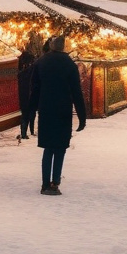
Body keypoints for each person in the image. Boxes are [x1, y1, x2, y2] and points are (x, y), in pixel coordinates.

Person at [28, 36, 86, 196]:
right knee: (60, 148)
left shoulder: (41, 63)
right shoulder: (70, 65)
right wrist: (82, 116)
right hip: (63, 111)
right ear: (64, 47)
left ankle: (45, 183)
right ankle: (55, 182)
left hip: (46, 110)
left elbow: (34, 89)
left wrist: (31, 111)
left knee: (48, 148)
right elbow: (76, 92)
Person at [17, 32, 44, 140]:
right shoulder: (34, 70)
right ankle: (29, 131)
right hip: (31, 95)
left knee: (26, 114)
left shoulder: (22, 73)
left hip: (24, 96)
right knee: (31, 113)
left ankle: (25, 132)